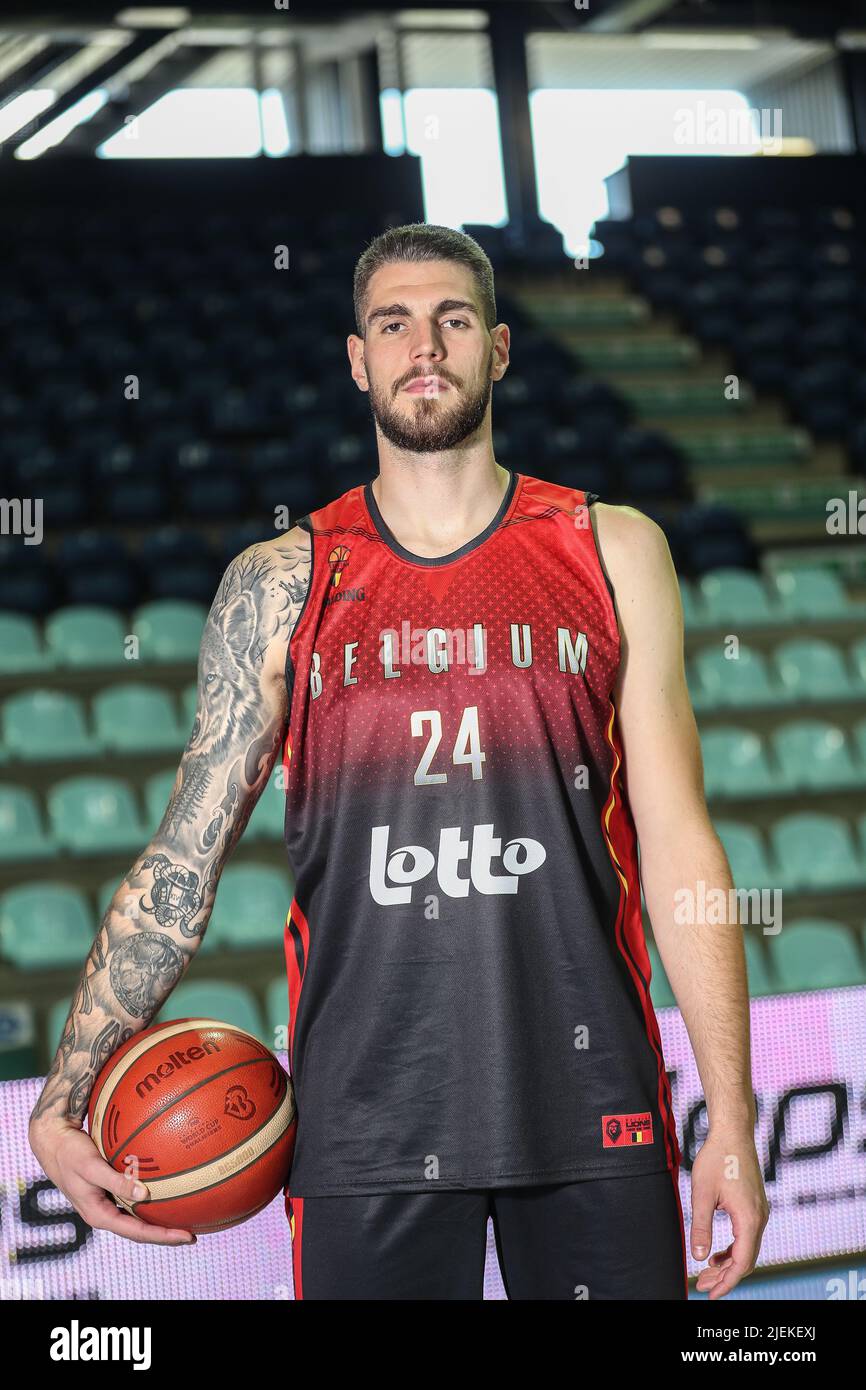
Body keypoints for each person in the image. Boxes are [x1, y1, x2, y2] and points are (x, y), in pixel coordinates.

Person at [30, 222, 769, 1300]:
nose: (424, 344)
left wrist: (734, 1124)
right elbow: (182, 860)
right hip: (363, 1119)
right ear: (357, 358)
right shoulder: (282, 581)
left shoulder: (610, 546)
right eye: (393, 322)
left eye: (452, 319)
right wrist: (65, 1090)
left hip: (590, 1100)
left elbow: (680, 851)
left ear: (499, 348)